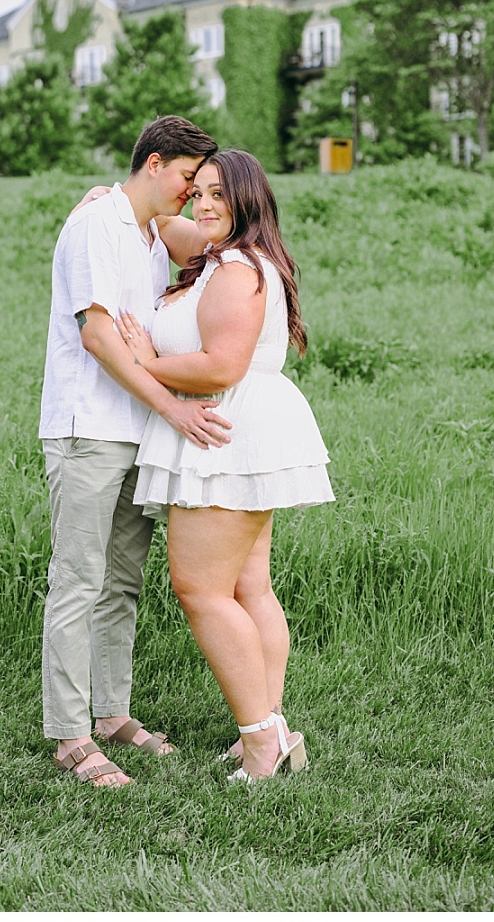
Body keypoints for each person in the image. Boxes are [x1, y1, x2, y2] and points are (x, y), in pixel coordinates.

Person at [115, 149, 334, 783]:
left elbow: (220, 366)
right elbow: (166, 222)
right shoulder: (224, 255)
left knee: (201, 590)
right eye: (199, 191)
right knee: (247, 588)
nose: (205, 204)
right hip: (240, 429)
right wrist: (114, 198)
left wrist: (143, 359)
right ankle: (270, 727)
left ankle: (261, 740)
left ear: (249, 201)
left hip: (223, 429)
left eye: (220, 194)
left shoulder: (236, 270)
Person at [40, 115, 226, 789]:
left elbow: (207, 237)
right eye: (185, 177)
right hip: (87, 427)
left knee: (121, 583)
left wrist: (200, 200)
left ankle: (113, 714)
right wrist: (171, 405)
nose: (191, 193)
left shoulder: (150, 235)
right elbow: (97, 334)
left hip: (132, 433)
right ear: (153, 163)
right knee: (78, 580)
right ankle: (69, 734)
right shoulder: (98, 224)